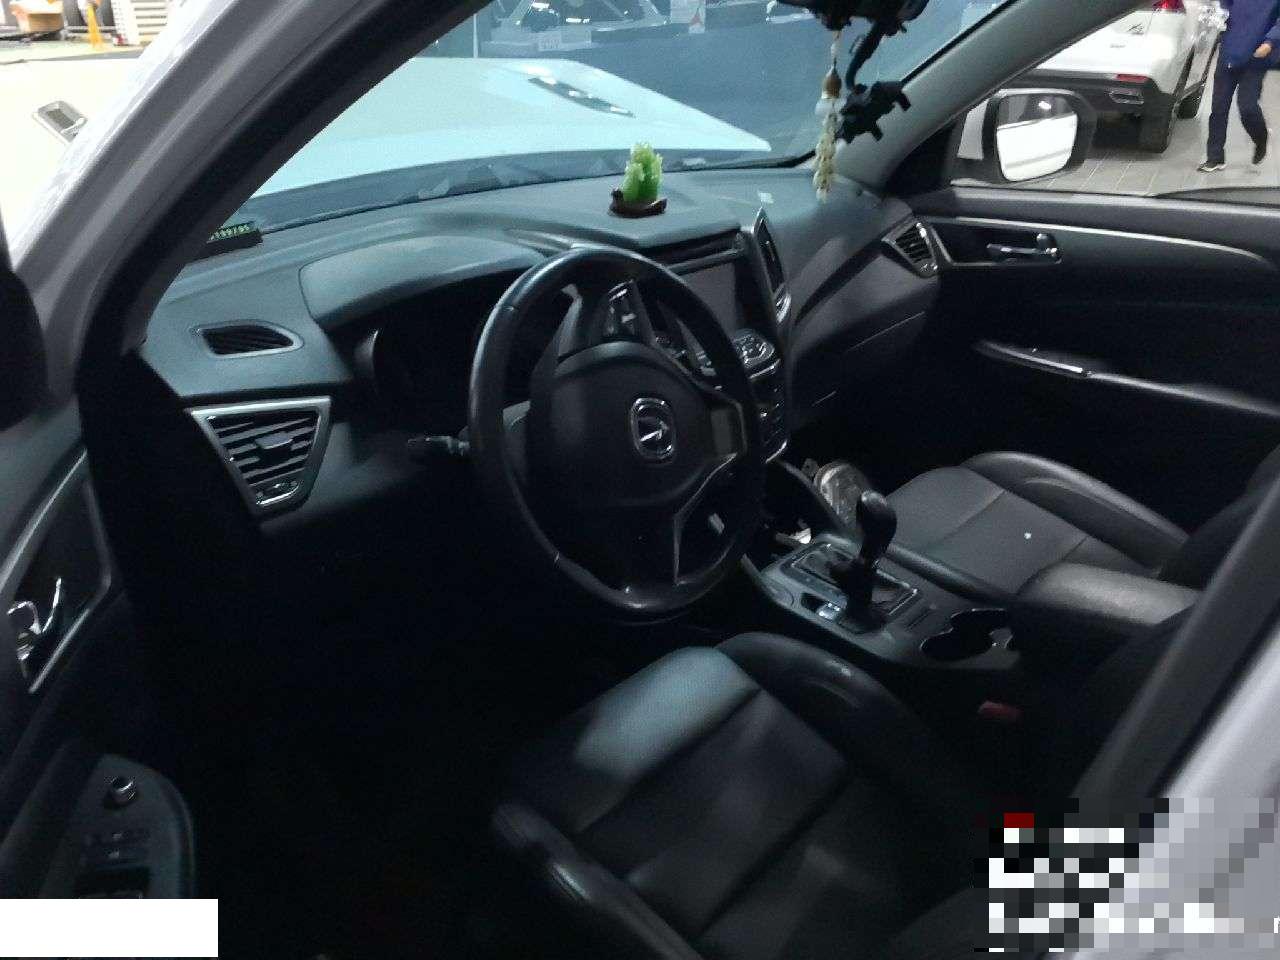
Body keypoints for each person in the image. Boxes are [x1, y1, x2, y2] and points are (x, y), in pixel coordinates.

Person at [1199, 0, 1280, 172]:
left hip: (1257, 55)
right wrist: (1217, 18)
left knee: (1247, 107)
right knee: (1219, 107)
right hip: (1230, 50)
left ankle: (1260, 137)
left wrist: (1270, 42)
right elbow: (1222, 7)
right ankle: (1215, 157)